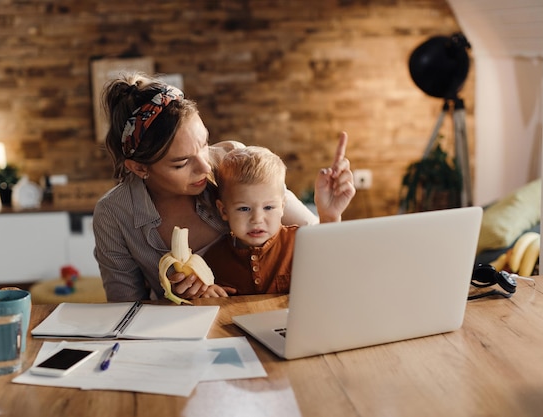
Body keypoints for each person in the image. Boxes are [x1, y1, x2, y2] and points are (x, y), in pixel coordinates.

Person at [93, 71, 355, 302]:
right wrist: (179, 298)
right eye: (182, 163)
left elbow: (318, 246)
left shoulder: (233, 163)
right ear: (139, 168)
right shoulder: (114, 215)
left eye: (204, 144)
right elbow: (125, 311)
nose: (206, 168)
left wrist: (330, 214)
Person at [203, 145, 353, 295]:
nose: (257, 219)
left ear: (282, 206)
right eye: (244, 209)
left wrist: (330, 216)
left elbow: (333, 267)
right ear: (223, 210)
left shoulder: (301, 242)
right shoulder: (212, 260)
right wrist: (208, 293)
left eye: (268, 207)